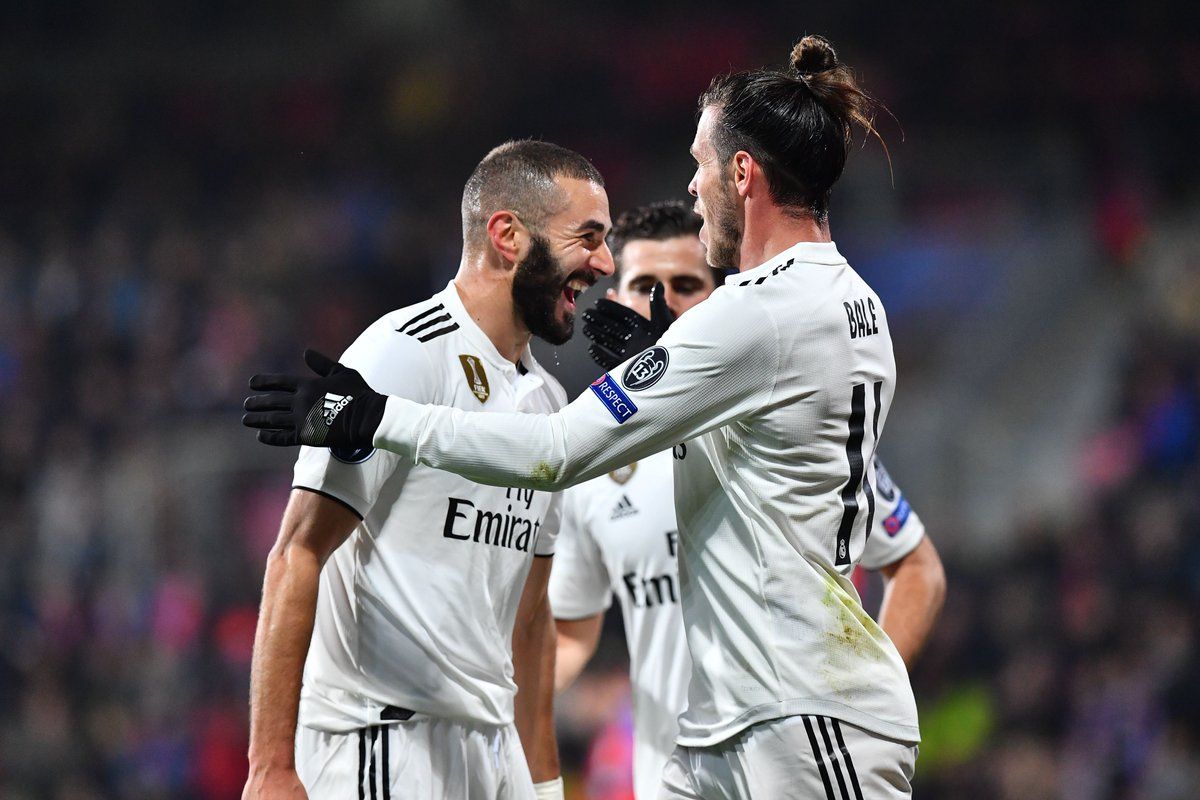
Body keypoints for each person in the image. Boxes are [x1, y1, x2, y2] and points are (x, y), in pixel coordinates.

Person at [245, 35, 922, 798]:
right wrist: (678, 364)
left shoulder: (754, 313)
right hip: (728, 722)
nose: (692, 189)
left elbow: (560, 451)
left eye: (700, 166)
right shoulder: (845, 300)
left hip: (803, 710)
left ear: (742, 173)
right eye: (589, 239)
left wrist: (374, 418)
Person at [240, 140, 614, 800]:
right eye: (587, 238)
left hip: (492, 752)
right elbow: (296, 555)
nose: (604, 263)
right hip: (383, 745)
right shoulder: (401, 357)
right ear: (507, 235)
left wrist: (546, 783)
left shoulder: (549, 403)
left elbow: (531, 623)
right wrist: (271, 766)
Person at [551, 201, 946, 800]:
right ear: (615, 303)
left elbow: (918, 568)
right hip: (669, 780)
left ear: (720, 300)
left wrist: (855, 703)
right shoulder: (593, 469)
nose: (666, 304)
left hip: (796, 758)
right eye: (643, 287)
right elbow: (572, 630)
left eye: (686, 286)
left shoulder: (781, 438)